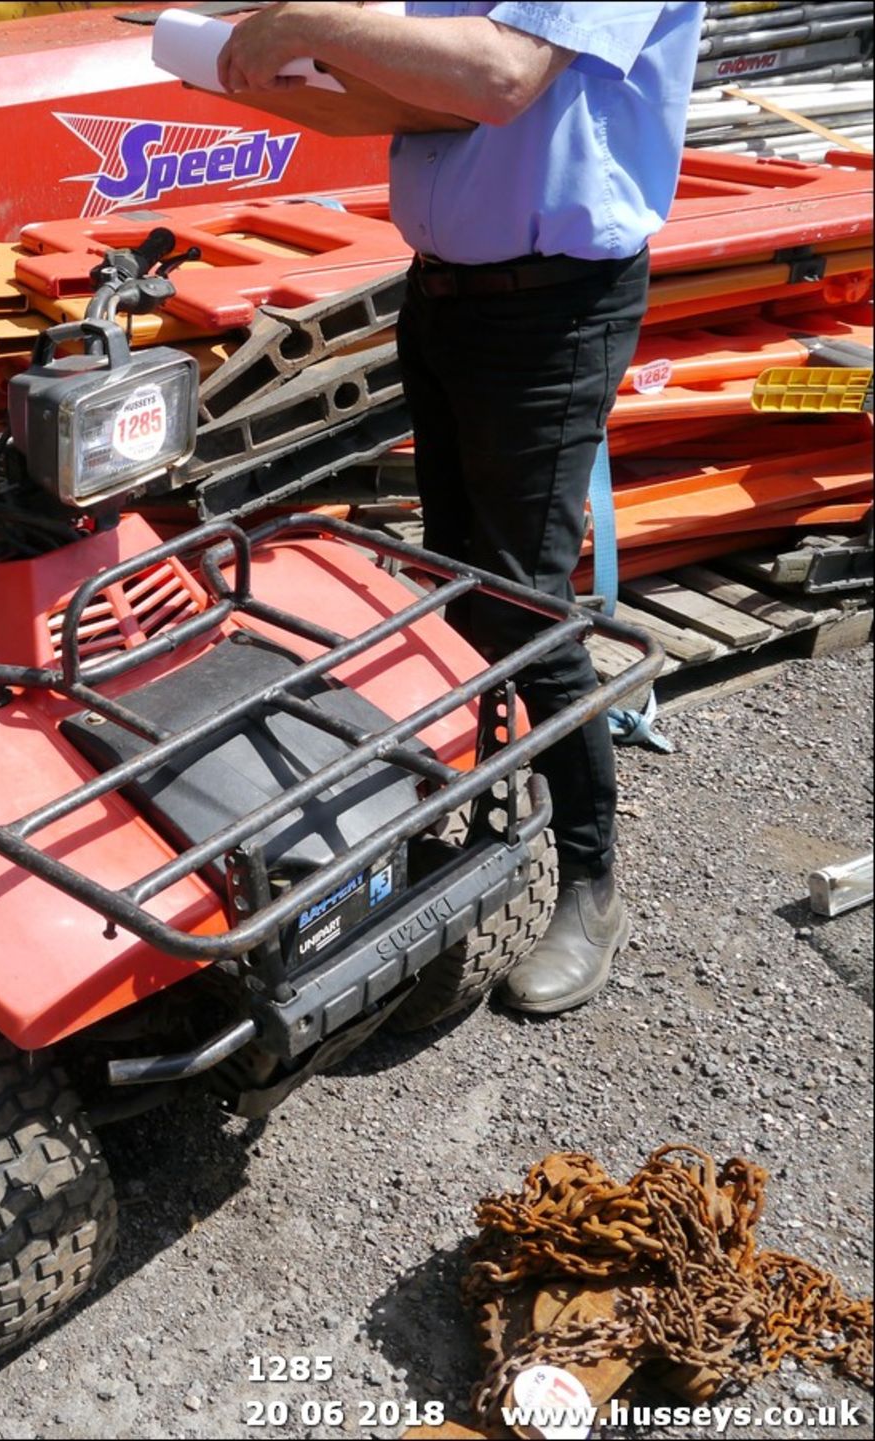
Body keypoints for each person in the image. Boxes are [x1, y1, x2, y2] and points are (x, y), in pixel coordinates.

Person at [218, 3, 703, 1013]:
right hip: (446, 295)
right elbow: (416, 105)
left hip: (554, 303)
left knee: (521, 605)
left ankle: (588, 879)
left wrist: (306, 20)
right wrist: (268, 73)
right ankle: (476, 806)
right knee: (453, 583)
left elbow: (499, 79)